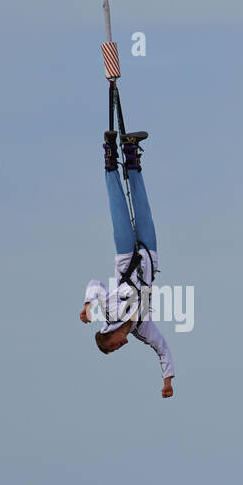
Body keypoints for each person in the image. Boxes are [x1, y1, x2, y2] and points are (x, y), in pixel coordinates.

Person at [80, 130, 174, 398]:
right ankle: (131, 152)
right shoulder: (140, 327)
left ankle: (110, 156)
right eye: (116, 349)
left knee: (118, 208)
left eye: (113, 346)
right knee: (143, 206)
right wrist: (167, 380)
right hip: (148, 255)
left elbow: (95, 284)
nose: (120, 346)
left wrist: (87, 305)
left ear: (107, 337)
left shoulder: (109, 314)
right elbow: (162, 348)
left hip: (125, 256)